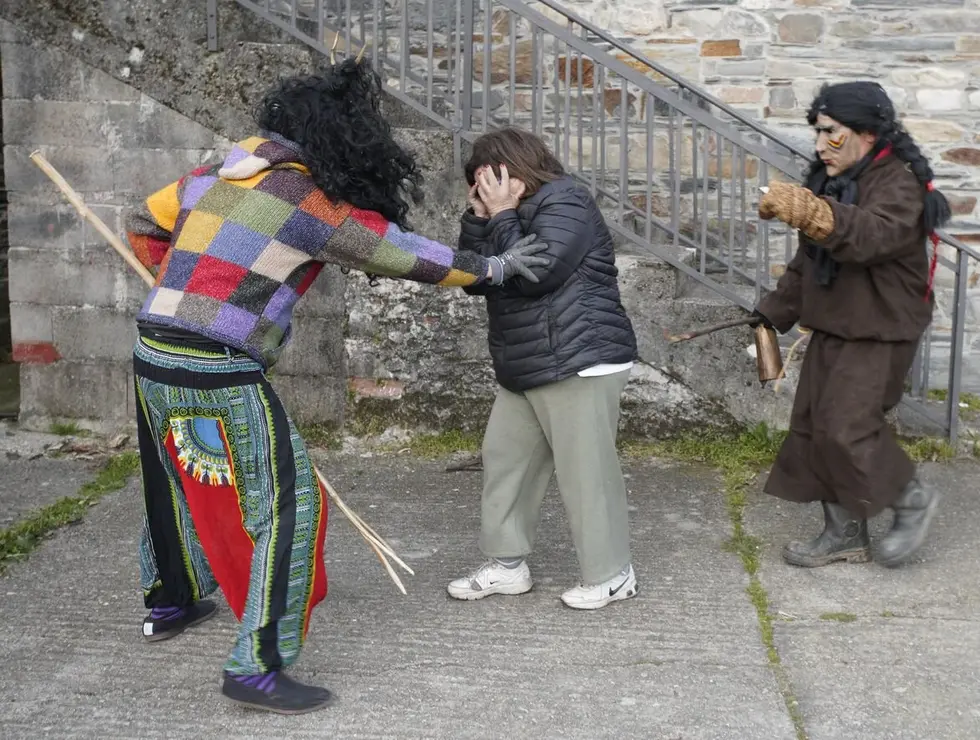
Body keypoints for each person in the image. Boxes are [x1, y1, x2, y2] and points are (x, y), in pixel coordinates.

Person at [124, 59, 549, 715]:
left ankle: (171, 600)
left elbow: (143, 219)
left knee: (181, 475)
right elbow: (406, 254)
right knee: (288, 511)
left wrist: (174, 284)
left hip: (153, 349)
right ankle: (257, 666)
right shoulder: (310, 205)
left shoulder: (209, 176)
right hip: (216, 366)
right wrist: (492, 267)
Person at [752, 81, 951, 569]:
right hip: (836, 323)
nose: (820, 146)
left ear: (866, 133)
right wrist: (772, 313)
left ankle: (911, 499)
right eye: (818, 134)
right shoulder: (834, 181)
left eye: (830, 133)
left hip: (881, 329)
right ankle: (844, 534)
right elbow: (807, 262)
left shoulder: (897, 183)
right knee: (816, 429)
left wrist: (814, 212)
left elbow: (869, 237)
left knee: (846, 428)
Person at [446, 127, 640, 610]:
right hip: (527, 361)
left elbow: (535, 271)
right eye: (476, 186)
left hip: (580, 357)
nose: (483, 192)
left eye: (487, 181)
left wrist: (504, 215)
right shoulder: (498, 215)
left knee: (586, 473)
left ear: (512, 171)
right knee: (506, 463)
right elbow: (475, 277)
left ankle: (612, 573)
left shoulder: (567, 201)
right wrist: (478, 217)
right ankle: (507, 565)